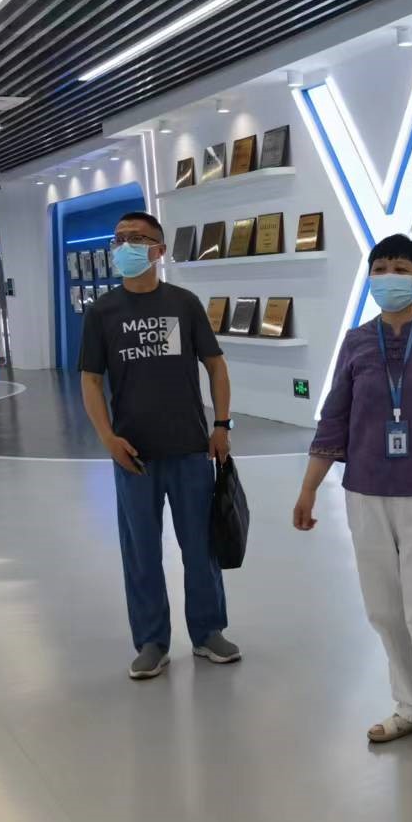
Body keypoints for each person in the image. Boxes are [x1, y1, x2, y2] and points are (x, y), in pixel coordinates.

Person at [293, 234, 412, 776]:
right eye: (379, 268)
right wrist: (309, 487)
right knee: (384, 610)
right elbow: (334, 418)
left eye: (399, 268)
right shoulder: (357, 342)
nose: (388, 277)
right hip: (366, 491)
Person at [79, 210, 239, 679]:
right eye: (119, 238)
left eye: (136, 238)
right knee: (141, 553)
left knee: (200, 549)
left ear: (159, 250)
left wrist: (222, 424)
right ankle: (152, 641)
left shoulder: (183, 303)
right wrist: (107, 437)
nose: (124, 245)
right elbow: (91, 380)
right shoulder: (102, 311)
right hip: (135, 456)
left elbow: (216, 365)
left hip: (190, 448)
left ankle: (208, 631)